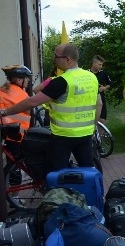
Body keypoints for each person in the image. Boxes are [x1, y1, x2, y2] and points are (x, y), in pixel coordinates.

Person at [3, 44, 101, 173]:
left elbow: (33, 102)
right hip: (86, 135)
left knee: (56, 175)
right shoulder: (92, 77)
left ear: (68, 59)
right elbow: (99, 104)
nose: (54, 59)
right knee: (88, 172)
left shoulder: (62, 81)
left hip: (63, 137)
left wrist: (4, 112)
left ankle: (58, 193)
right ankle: (88, 193)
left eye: (56, 56)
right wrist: (93, 127)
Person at [0, 65, 32, 158]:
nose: (28, 80)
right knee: (16, 162)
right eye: (27, 78)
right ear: (18, 80)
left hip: (4, 132)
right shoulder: (21, 94)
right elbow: (28, 112)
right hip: (16, 133)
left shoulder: (2, 90)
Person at [90, 55, 111, 123]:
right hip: (90, 100)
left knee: (102, 120)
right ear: (94, 63)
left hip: (101, 99)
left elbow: (110, 84)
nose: (101, 66)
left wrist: (104, 88)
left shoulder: (103, 73)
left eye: (102, 65)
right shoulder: (87, 73)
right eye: (99, 64)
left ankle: (101, 134)